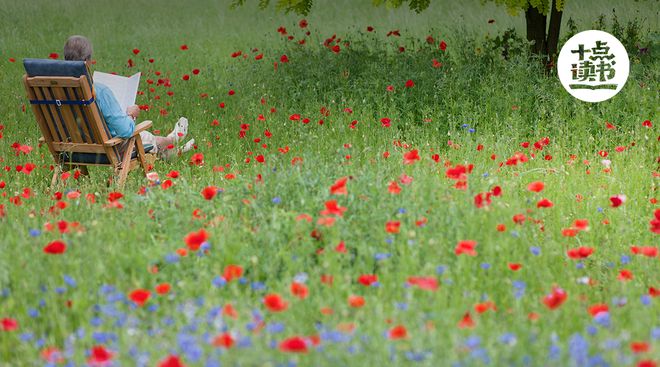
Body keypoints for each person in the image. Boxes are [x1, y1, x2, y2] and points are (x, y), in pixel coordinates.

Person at [63, 35, 194, 159]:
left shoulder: (55, 90)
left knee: (146, 140)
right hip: (109, 148)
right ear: (88, 61)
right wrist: (132, 115)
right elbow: (125, 131)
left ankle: (172, 151)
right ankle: (173, 140)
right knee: (147, 138)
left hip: (71, 149)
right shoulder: (98, 91)